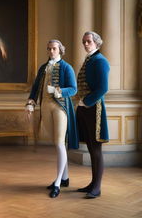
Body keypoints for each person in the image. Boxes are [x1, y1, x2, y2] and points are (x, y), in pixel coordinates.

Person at [26, 39, 79, 198]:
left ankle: (57, 183)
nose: (51, 51)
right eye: (49, 49)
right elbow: (35, 88)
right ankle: (65, 178)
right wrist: (30, 103)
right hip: (45, 108)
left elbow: (73, 89)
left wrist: (58, 91)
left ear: (60, 50)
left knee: (59, 143)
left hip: (60, 107)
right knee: (57, 143)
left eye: (54, 49)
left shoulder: (66, 67)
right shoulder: (43, 68)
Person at [76, 31, 110, 199]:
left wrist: (86, 101)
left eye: (88, 41)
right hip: (84, 107)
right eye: (84, 41)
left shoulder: (100, 61)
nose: (86, 44)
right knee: (90, 147)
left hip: (94, 108)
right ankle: (92, 183)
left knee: (96, 149)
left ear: (97, 43)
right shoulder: (90, 60)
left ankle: (97, 187)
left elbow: (103, 88)